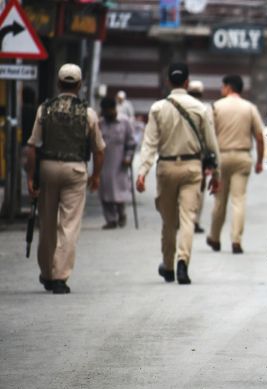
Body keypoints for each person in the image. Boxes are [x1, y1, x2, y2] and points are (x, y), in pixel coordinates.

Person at [136, 63, 220, 285]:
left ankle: (168, 265)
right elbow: (212, 145)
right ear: (186, 82)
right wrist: (217, 175)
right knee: (187, 219)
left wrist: (142, 171)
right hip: (192, 168)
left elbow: (149, 143)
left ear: (168, 82)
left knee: (168, 221)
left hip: (166, 168)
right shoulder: (200, 108)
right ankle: (183, 261)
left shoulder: (157, 108)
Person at [25, 63, 105, 294]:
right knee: (69, 225)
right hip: (75, 171)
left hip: (48, 168)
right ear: (79, 85)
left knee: (47, 223)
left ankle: (47, 274)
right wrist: (96, 176)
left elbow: (32, 146)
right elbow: (99, 150)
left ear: (59, 84)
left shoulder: (45, 109)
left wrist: (31, 176)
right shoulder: (87, 113)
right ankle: (60, 277)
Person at [205, 75, 265, 254]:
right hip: (242, 157)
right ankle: (236, 240)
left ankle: (214, 237)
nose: (221, 90)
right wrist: (260, 160)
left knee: (219, 200)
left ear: (228, 87)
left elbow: (208, 136)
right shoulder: (250, 108)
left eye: (222, 86)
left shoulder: (216, 107)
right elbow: (260, 136)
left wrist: (208, 162)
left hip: (221, 158)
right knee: (238, 200)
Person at [98, 97, 137, 229]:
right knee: (105, 191)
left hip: (120, 162)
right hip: (104, 161)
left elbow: (131, 142)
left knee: (120, 190)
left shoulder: (125, 121)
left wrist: (128, 157)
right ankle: (111, 219)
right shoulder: (100, 123)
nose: (108, 113)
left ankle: (121, 213)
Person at [187, 80, 209, 234]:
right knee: (199, 190)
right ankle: (194, 221)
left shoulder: (177, 106)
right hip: (199, 156)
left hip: (178, 155)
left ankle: (183, 219)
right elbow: (210, 137)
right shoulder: (205, 109)